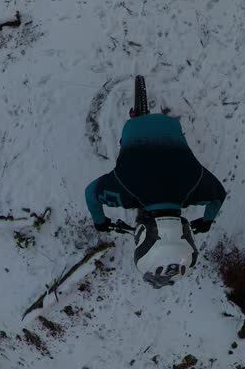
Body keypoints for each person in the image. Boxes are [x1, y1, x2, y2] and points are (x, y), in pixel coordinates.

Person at [84, 112, 227, 288]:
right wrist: (100, 222)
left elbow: (219, 194)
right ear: (142, 235)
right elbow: (90, 194)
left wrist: (207, 220)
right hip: (133, 129)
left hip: (170, 125)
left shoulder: (195, 189)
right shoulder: (124, 193)